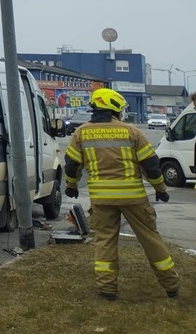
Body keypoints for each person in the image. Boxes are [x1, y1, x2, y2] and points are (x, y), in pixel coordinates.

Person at [64, 87, 180, 301]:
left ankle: (107, 289)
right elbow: (151, 165)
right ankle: (171, 285)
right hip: (133, 198)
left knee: (105, 242)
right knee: (151, 239)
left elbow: (71, 165)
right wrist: (160, 189)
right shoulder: (131, 131)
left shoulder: (81, 133)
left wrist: (71, 186)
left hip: (101, 200)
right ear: (115, 108)